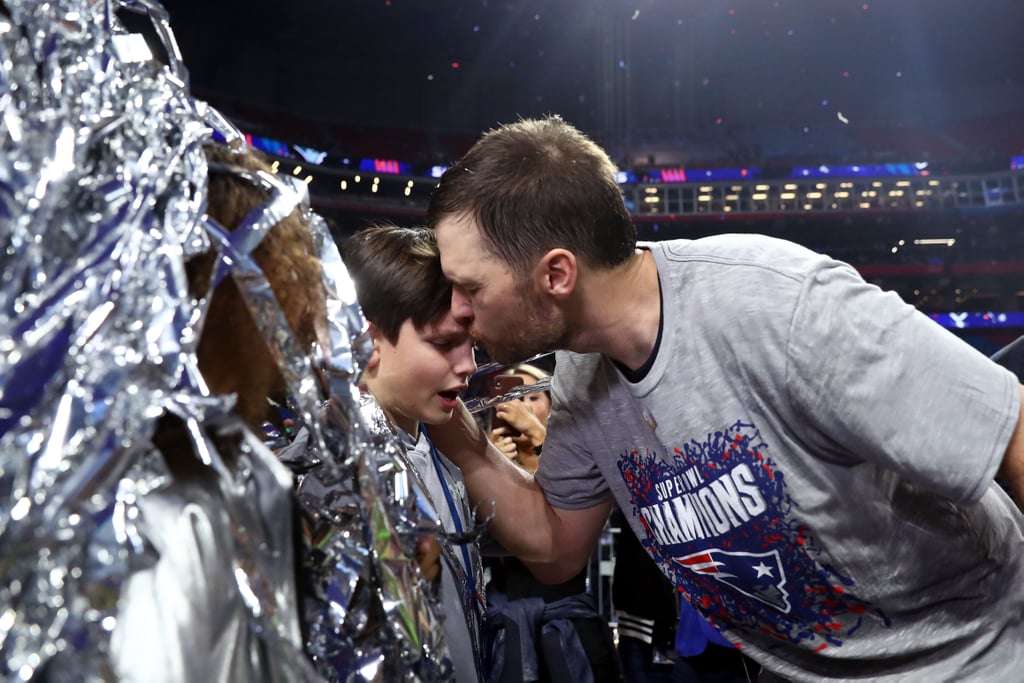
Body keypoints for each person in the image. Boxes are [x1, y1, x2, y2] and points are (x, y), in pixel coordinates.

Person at [424, 116, 1024, 681]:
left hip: (976, 656)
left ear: (556, 274)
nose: (456, 308)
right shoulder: (582, 377)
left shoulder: (778, 305)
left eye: (469, 286)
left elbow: (1012, 434)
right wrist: (444, 411)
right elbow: (557, 548)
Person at [343, 223, 485, 683]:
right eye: (444, 343)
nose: (469, 366)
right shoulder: (331, 477)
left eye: (472, 345)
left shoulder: (438, 459)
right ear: (368, 343)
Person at [489, 363, 551, 472]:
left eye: (533, 398)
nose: (521, 408)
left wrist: (538, 433)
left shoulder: (579, 450)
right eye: (511, 399)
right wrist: (493, 468)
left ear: (551, 405)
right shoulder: (488, 456)